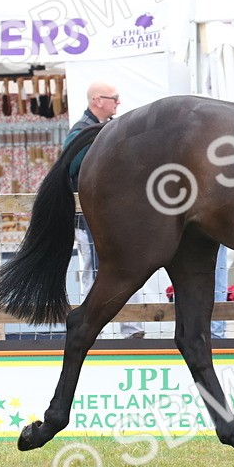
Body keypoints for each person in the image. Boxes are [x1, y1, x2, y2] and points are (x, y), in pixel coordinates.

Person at [63, 81, 150, 337]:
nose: (118, 102)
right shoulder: (81, 132)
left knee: (128, 268)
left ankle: (131, 328)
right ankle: (95, 331)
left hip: (114, 217)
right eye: (114, 97)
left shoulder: (106, 129)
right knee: (94, 272)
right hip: (92, 218)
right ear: (97, 101)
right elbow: (73, 170)